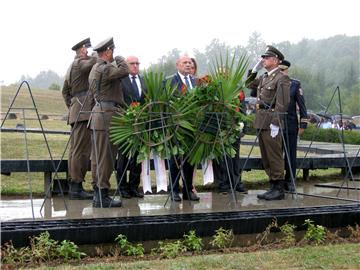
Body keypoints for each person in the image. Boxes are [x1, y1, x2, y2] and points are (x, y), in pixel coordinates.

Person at [88, 37, 129, 208]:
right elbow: (125, 70)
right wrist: (119, 58)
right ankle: (102, 194)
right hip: (107, 116)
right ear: (108, 51)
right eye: (112, 51)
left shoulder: (94, 69)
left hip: (99, 115)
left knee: (98, 157)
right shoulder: (104, 69)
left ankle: (98, 194)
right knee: (106, 157)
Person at [254, 45, 290, 201]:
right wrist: (254, 69)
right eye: (263, 58)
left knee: (274, 156)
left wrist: (276, 123)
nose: (263, 60)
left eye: (266, 58)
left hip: (271, 123)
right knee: (266, 156)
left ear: (275, 61)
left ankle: (279, 188)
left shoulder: (282, 77)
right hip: (261, 121)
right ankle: (272, 186)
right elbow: (249, 84)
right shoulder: (264, 77)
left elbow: (283, 102)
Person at [62, 38, 96, 200]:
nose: (88, 52)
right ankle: (76, 186)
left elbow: (64, 92)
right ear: (81, 50)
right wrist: (99, 54)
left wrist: (73, 105)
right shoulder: (79, 63)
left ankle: (75, 186)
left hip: (77, 111)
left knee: (75, 150)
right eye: (86, 49)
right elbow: (93, 63)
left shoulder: (71, 67)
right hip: (83, 112)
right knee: (81, 151)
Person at [165, 55, 200, 202]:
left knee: (190, 160)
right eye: (184, 62)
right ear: (177, 65)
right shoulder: (169, 81)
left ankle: (187, 190)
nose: (188, 64)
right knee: (175, 160)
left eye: (190, 62)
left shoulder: (195, 81)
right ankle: (173, 190)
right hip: (176, 126)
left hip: (193, 128)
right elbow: (164, 102)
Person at [116, 56, 146, 199]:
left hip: (140, 125)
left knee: (137, 157)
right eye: (132, 63)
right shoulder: (121, 80)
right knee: (123, 157)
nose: (135, 66)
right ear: (126, 65)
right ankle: (122, 188)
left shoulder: (143, 80)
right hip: (124, 124)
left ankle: (134, 187)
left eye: (137, 63)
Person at [279, 60, 308, 192]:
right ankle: (277, 181)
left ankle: (290, 180)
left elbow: (302, 106)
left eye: (282, 70)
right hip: (275, 124)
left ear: (286, 70)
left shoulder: (295, 84)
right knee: (276, 155)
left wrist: (303, 124)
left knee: (290, 155)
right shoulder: (273, 83)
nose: (281, 72)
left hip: (290, 124)